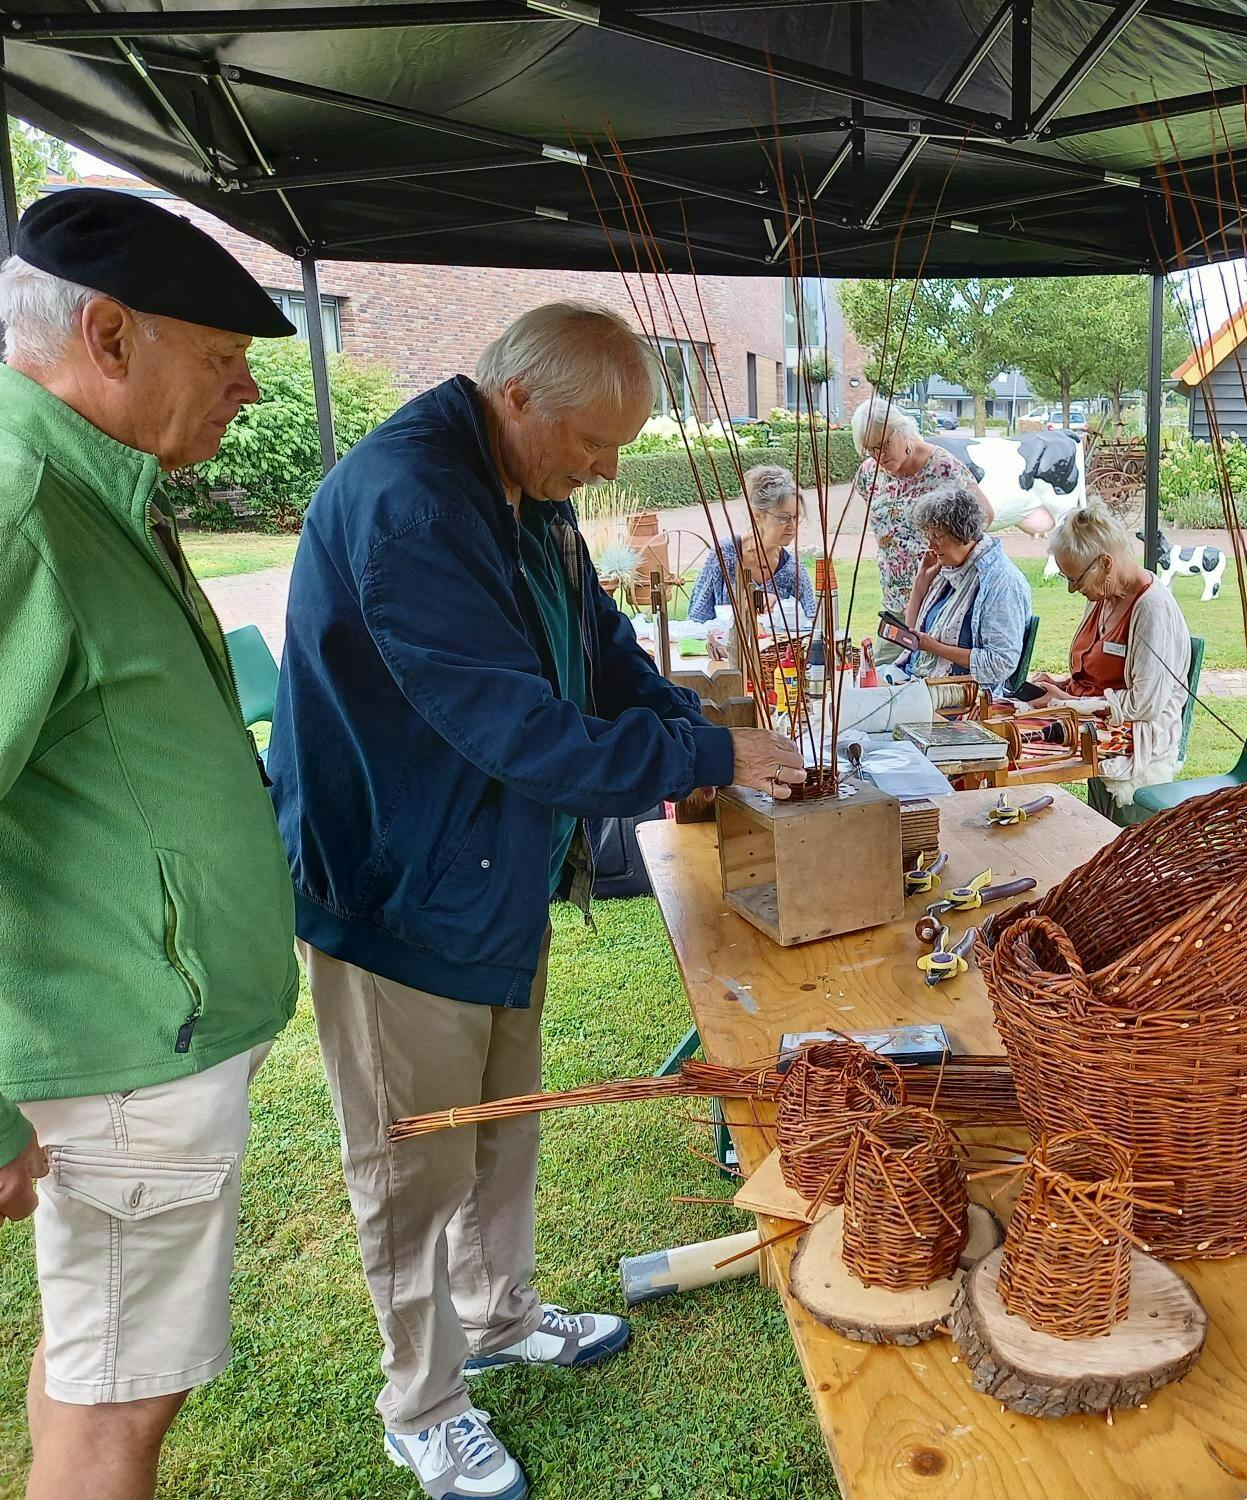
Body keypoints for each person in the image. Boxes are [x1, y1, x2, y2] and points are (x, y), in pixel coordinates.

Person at [268, 302, 805, 1500]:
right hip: (399, 890)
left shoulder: (528, 486)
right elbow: (517, 729)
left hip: (488, 872)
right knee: (413, 1164)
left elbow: (602, 649)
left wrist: (695, 723)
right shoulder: (414, 501)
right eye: (596, 440)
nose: (608, 467)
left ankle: (499, 1313)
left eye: (621, 444)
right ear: (516, 397)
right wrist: (710, 765)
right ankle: (421, 1402)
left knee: (503, 1121)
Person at [0, 188, 301, 1500]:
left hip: (138, 1036)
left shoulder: (93, 484)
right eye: (224, 357)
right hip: (123, 1053)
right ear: (110, 338)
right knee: (120, 1409)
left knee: (99, 1364)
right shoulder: (26, 506)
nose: (244, 390)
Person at [1035, 500, 1191, 820]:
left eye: (1076, 580)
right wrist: (1059, 687)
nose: (1070, 589)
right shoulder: (1103, 597)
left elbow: (1143, 705)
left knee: (1028, 740)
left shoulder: (1151, 608)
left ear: (1105, 563)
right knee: (1013, 718)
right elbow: (1091, 676)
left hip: (1140, 739)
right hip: (1101, 726)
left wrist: (1067, 702)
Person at [882, 481, 1032, 694]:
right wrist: (920, 583)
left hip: (958, 698)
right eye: (929, 537)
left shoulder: (1001, 581)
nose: (931, 546)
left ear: (962, 533)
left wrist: (935, 648)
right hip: (918, 680)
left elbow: (1000, 663)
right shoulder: (950, 569)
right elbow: (912, 637)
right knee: (854, 694)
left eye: (938, 538)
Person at [851, 395, 992, 617]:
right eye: (870, 449)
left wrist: (950, 555)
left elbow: (984, 516)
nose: (879, 455)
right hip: (894, 601)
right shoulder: (869, 473)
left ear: (902, 430)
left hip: (940, 600)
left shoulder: (943, 468)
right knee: (884, 653)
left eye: (884, 444)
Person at [684, 463, 816, 627]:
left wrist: (783, 606)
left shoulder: (794, 570)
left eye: (796, 517)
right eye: (784, 518)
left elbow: (813, 627)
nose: (793, 527)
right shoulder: (725, 554)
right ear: (757, 516)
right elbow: (697, 618)